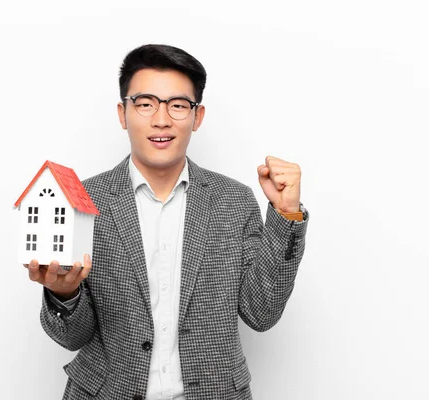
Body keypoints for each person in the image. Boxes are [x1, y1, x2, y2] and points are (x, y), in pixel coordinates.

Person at [24, 44, 309, 400]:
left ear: (197, 116)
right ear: (123, 113)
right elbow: (72, 337)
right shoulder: (84, 201)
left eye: (177, 105)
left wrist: (286, 215)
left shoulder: (233, 201)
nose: (161, 119)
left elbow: (261, 313)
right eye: (145, 103)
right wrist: (63, 292)